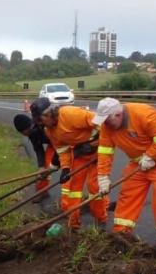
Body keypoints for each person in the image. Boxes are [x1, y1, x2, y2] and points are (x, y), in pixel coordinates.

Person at [92, 97, 156, 247]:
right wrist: (103, 177)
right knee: (129, 193)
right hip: (139, 163)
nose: (105, 124)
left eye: (107, 120)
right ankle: (121, 234)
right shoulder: (107, 127)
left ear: (118, 114)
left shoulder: (143, 113)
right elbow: (105, 151)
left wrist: (151, 156)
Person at [30, 98, 108, 230]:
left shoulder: (70, 114)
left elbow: (103, 125)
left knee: (93, 186)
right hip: (81, 154)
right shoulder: (49, 131)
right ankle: (74, 224)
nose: (39, 124)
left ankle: (101, 218)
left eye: (40, 120)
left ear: (49, 114)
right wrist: (65, 169)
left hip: (101, 151)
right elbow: (63, 150)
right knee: (73, 189)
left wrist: (94, 144)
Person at [13, 113, 58, 199]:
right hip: (53, 144)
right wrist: (41, 167)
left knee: (69, 169)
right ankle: (42, 192)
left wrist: (56, 161)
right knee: (44, 169)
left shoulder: (42, 126)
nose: (23, 134)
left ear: (27, 128)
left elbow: (59, 140)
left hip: (64, 141)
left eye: (22, 132)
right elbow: (38, 149)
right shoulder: (31, 133)